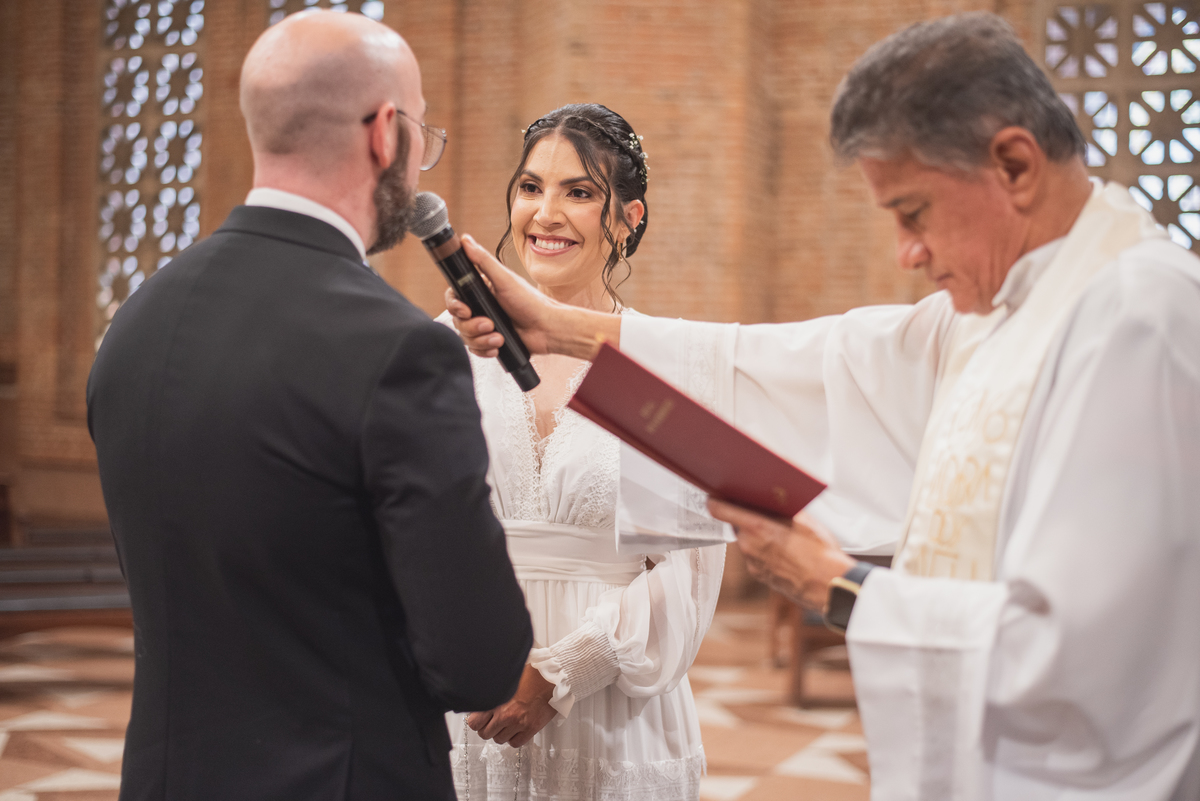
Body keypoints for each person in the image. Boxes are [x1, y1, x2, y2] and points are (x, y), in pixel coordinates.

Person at [445, 13, 1200, 800]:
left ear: (1012, 163)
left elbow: (1099, 657)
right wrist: (563, 328)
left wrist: (840, 588)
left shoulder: (1138, 315)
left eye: (912, 212)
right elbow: (817, 367)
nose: (907, 252)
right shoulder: (1003, 308)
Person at [87, 10, 531, 800]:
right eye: (423, 135)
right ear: (386, 133)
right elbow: (477, 660)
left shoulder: (136, 322)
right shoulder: (398, 350)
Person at [439, 104, 722, 801]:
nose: (546, 212)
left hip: (615, 711)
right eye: (531, 187)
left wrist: (557, 674)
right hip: (469, 690)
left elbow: (687, 574)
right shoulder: (451, 350)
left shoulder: (665, 363)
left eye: (580, 191)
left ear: (630, 218)